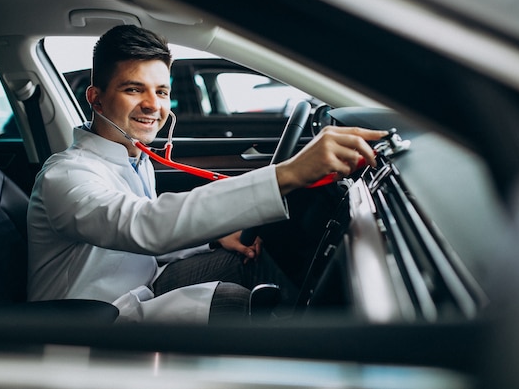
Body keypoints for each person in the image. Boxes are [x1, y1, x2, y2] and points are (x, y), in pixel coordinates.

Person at [26, 25, 387, 324]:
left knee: (249, 259)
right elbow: (143, 226)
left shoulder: (135, 160)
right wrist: (288, 174)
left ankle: (315, 335)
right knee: (233, 303)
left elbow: (140, 248)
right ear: (96, 98)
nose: (154, 105)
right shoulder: (67, 175)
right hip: (91, 321)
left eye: (162, 91)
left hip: (145, 285)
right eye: (134, 89)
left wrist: (212, 240)